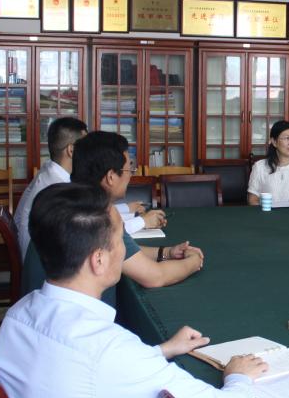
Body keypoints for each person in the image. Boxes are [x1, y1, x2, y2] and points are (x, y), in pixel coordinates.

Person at [0, 182, 267, 398]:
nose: (125, 248)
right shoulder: (108, 351)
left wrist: (161, 350)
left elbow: (95, 374)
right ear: (98, 260)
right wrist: (238, 376)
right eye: (121, 238)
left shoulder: (18, 314)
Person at [21, 131, 204, 306]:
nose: (131, 174)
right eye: (129, 168)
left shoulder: (64, 200)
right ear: (110, 177)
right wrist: (193, 262)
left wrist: (167, 252)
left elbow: (122, 250)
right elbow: (155, 276)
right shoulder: (97, 214)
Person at [14, 117, 87, 259]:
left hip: (38, 257)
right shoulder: (57, 187)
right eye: (86, 147)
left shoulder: (49, 171)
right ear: (71, 150)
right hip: (42, 263)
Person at [247, 120, 289, 205]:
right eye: (287, 138)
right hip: (269, 213)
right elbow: (252, 200)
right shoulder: (259, 167)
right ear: (274, 142)